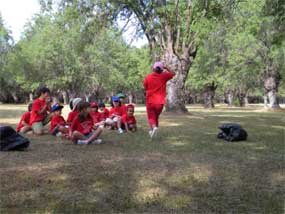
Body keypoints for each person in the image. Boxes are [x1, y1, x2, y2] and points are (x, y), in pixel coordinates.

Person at [143, 61, 175, 138]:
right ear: (161, 69)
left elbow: (145, 87)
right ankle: (153, 133)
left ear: (153, 68)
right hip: (160, 102)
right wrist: (166, 67)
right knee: (155, 117)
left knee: (151, 117)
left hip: (150, 100)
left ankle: (154, 128)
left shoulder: (147, 77)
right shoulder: (164, 76)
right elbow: (173, 73)